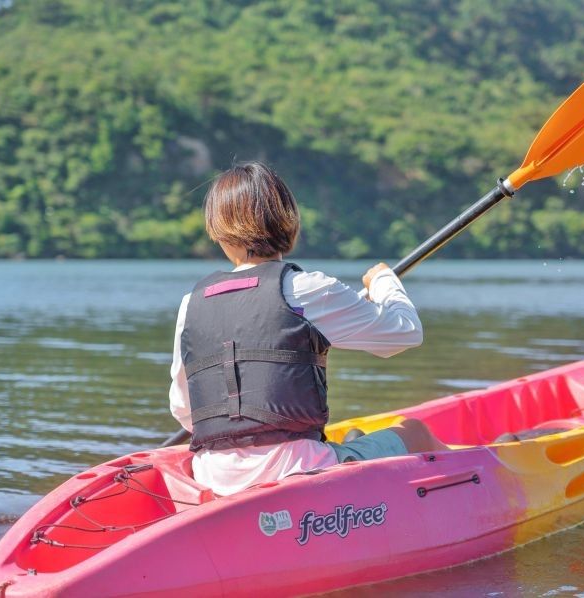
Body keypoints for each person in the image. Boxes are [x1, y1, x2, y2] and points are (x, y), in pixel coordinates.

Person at [169, 161, 448, 496]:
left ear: (217, 229)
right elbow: (405, 331)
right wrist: (383, 282)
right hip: (296, 475)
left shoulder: (191, 304)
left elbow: (185, 412)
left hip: (213, 478)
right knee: (415, 432)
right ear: (287, 221)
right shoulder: (308, 289)